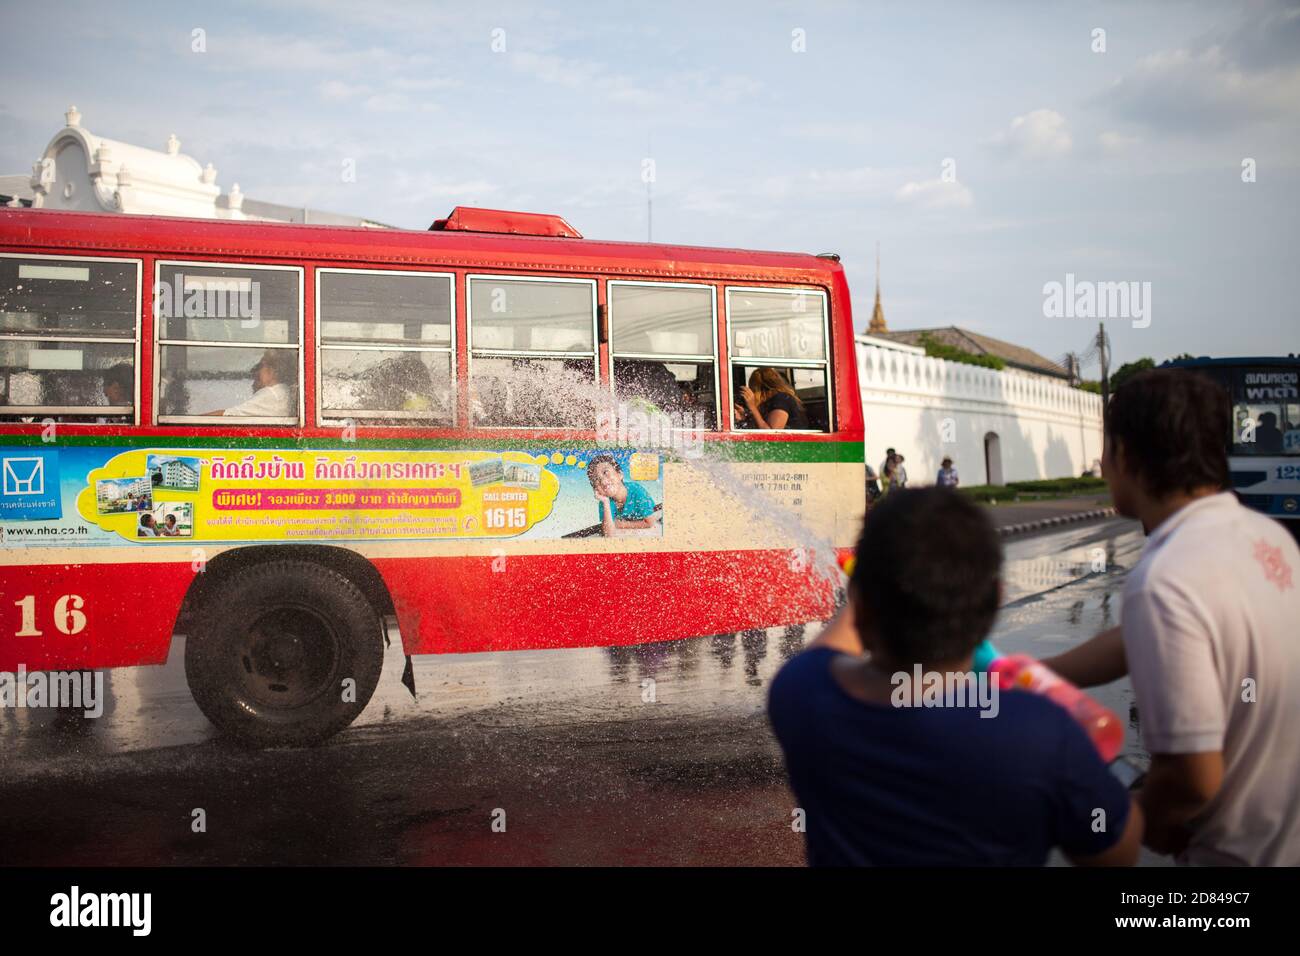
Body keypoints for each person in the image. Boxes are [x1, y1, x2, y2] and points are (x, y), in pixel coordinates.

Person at [768, 487, 1142, 866]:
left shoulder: (801, 693)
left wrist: (870, 583)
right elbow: (1115, 852)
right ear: (996, 599)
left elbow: (836, 641)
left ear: (861, 602)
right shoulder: (1040, 732)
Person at [1042, 369, 1300, 865]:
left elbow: (1190, 777)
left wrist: (1136, 816)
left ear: (1126, 456)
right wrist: (1035, 676)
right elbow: (1147, 638)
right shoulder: (1267, 538)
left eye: (1106, 448)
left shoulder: (1164, 579)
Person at [203, 350, 294, 417]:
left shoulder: (272, 393)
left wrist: (192, 419)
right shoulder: (283, 391)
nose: (257, 370)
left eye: (261, 365)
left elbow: (228, 415)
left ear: (273, 371)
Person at [587, 454, 660, 537]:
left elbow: (650, 522)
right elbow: (608, 534)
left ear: (620, 474)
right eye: (596, 479)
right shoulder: (605, 500)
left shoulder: (637, 491)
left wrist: (620, 524)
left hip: (645, 515)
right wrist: (605, 502)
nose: (603, 482)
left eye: (605, 472)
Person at [735, 367, 809, 430]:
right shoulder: (771, 402)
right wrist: (745, 417)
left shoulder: (781, 399)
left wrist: (752, 407)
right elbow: (760, 427)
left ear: (760, 389)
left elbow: (771, 435)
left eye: (753, 389)